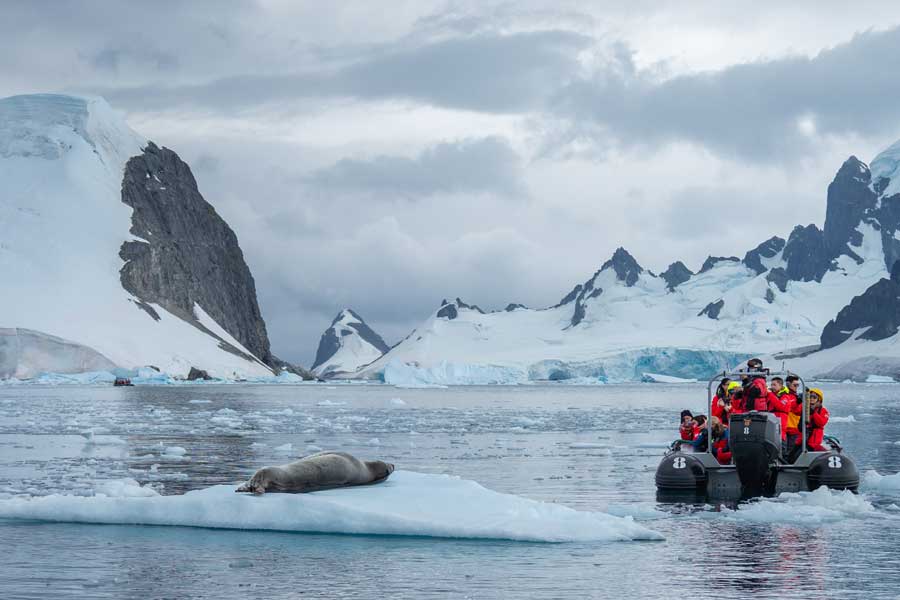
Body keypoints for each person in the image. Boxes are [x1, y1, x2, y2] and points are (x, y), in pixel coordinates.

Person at [766, 376, 791, 452]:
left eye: (774, 385)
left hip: (780, 430)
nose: (772, 387)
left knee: (781, 451)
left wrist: (770, 394)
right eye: (771, 385)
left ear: (780, 386)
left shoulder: (785, 397)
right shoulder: (771, 396)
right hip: (771, 428)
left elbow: (780, 406)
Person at [783, 375, 802, 454]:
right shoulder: (786, 396)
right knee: (788, 449)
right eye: (795, 385)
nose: (796, 387)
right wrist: (798, 402)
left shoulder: (795, 396)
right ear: (788, 384)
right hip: (789, 426)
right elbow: (793, 408)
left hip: (793, 426)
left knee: (790, 448)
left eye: (797, 385)